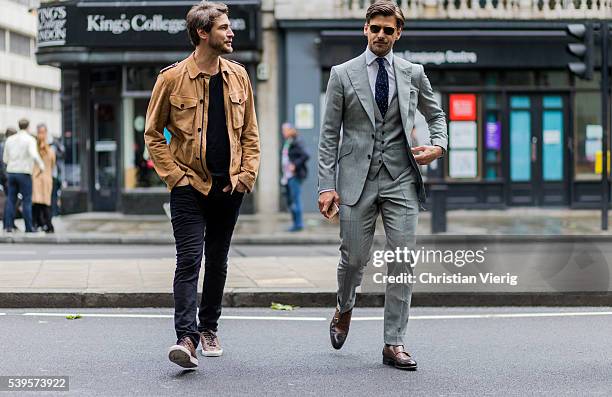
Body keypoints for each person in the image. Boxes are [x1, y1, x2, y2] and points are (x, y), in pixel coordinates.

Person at [317, 0, 447, 371]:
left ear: (398, 33)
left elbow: (435, 114)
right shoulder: (342, 74)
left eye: (388, 30)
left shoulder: (413, 73)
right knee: (355, 258)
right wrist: (327, 185)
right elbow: (329, 136)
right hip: (356, 181)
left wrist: (438, 145)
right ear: (365, 29)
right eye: (375, 28)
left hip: (402, 179)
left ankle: (394, 342)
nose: (381, 35)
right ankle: (343, 307)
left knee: (402, 261)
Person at [145, 1, 260, 369]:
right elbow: (152, 134)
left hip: (230, 187)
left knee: (219, 261)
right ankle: (186, 338)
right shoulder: (171, 78)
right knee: (189, 259)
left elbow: (251, 134)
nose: (231, 33)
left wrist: (246, 176)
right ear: (203, 33)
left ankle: (209, 327)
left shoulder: (239, 76)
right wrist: (176, 177)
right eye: (224, 28)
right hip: (188, 187)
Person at [2, 119, 45, 233]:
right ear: (28, 127)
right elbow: (34, 154)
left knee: (11, 199)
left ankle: (8, 226)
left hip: (11, 172)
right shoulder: (29, 139)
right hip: (24, 172)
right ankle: (28, 227)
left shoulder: (10, 140)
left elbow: (5, 159)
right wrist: (41, 166)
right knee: (27, 200)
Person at [280, 122, 309, 232]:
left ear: (291, 130)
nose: (283, 132)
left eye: (285, 130)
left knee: (295, 200)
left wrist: (294, 165)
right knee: (291, 200)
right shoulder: (288, 141)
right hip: (287, 176)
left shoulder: (297, 141)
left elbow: (305, 155)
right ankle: (295, 223)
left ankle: (298, 224)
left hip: (294, 175)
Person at [32, 124, 56, 233]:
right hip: (42, 178)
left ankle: (41, 224)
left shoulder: (37, 148)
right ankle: (45, 224)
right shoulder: (48, 149)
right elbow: (52, 163)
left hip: (40, 178)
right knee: (42, 203)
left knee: (40, 203)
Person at [1, 127, 17, 231]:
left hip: (6, 175)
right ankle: (8, 224)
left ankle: (9, 222)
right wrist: (6, 176)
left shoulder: (5, 145)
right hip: (6, 175)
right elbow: (3, 163)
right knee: (9, 200)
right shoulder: (5, 145)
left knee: (10, 200)